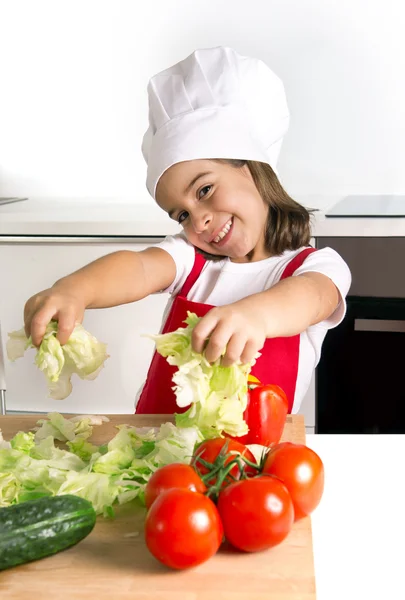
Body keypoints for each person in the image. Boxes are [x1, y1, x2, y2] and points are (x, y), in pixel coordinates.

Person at [24, 47, 351, 415]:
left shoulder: (315, 266)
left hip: (252, 460)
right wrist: (75, 289)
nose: (199, 222)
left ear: (249, 167)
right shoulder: (193, 260)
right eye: (181, 214)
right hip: (160, 456)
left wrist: (255, 316)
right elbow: (139, 267)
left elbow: (311, 297)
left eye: (205, 190)